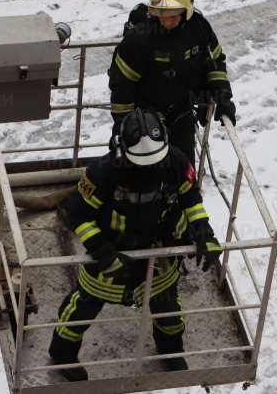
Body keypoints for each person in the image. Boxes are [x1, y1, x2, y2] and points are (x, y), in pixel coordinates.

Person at [48, 108, 222, 382]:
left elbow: (190, 199)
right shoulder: (103, 172)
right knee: (82, 308)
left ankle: (170, 351)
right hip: (110, 254)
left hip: (158, 255)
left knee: (168, 311)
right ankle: (62, 353)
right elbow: (78, 213)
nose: (149, 169)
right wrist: (103, 251)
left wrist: (204, 234)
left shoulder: (176, 160)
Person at [109, 0, 236, 169]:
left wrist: (223, 97)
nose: (166, 22)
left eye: (172, 16)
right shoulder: (140, 39)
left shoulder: (200, 30)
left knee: (183, 172)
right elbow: (122, 86)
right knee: (147, 174)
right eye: (161, 16)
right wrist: (121, 126)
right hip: (145, 119)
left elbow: (215, 64)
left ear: (187, 11)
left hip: (182, 114)